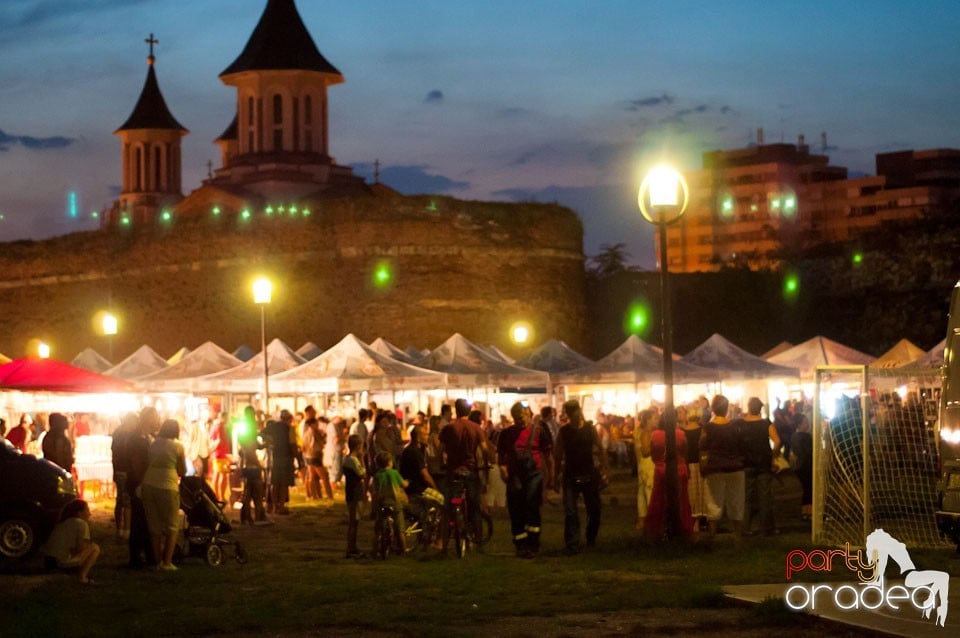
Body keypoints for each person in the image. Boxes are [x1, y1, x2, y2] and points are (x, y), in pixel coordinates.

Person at [498, 401, 553, 558]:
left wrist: (552, 476)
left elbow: (549, 457)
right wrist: (503, 470)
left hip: (534, 475)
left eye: (521, 416)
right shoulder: (506, 434)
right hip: (514, 476)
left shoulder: (540, 431)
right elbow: (501, 456)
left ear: (528, 413)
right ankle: (520, 544)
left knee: (532, 506)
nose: (519, 420)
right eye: (516, 418)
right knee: (516, 510)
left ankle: (533, 543)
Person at [439, 398, 490, 555]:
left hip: (452, 472)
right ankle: (478, 541)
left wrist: (444, 461)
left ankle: (444, 545)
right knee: (474, 507)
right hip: (470, 471)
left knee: (447, 509)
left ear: (456, 410)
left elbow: (441, 450)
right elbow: (484, 449)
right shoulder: (475, 428)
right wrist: (486, 464)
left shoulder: (449, 428)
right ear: (468, 411)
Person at [556, 399, 603, 553]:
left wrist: (605, 469)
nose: (574, 415)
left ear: (579, 410)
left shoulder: (589, 429)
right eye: (570, 413)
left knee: (594, 509)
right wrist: (556, 475)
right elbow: (558, 454)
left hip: (589, 473)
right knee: (570, 511)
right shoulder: (564, 432)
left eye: (575, 411)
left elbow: (600, 447)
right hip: (570, 475)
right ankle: (572, 543)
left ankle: (591, 537)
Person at [141, 418, 186, 571]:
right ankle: (167, 562)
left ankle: (157, 561)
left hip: (149, 484)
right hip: (168, 486)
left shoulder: (153, 445)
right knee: (172, 525)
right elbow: (182, 471)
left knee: (154, 525)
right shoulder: (178, 447)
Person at [644, 407, 694, 539]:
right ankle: (683, 526)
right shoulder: (681, 434)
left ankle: (657, 527)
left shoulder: (655, 435)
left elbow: (653, 453)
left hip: (661, 469)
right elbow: (685, 452)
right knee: (682, 499)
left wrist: (659, 462)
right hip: (680, 469)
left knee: (659, 499)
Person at [699, 395, 745, 539]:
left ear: (713, 408)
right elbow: (742, 446)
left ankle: (712, 538)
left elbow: (703, 448)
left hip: (715, 467)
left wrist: (703, 467)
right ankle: (738, 537)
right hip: (735, 468)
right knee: (736, 502)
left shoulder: (708, 428)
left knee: (713, 503)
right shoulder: (736, 426)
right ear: (727, 408)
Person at [738, 397, 781, 536]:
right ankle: (765, 528)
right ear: (760, 409)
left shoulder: (741, 424)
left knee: (746, 498)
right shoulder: (766, 424)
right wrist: (773, 455)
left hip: (746, 463)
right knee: (765, 496)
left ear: (749, 408)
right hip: (763, 464)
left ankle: (745, 528)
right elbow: (777, 441)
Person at [128, 406, 159, 568]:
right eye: (155, 418)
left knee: (146, 519)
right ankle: (137, 555)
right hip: (140, 482)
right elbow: (135, 463)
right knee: (139, 519)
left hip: (146, 481)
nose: (158, 421)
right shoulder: (137, 438)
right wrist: (141, 482)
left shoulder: (147, 437)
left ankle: (147, 553)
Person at [40, 499, 100, 584]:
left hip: (48, 562)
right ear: (79, 513)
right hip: (59, 563)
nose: (90, 514)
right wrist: (86, 545)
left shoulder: (63, 522)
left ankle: (68, 571)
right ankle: (82, 577)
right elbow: (80, 548)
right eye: (87, 510)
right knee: (95, 548)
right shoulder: (81, 523)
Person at [399, 420, 440, 531]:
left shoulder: (409, 449)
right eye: (425, 434)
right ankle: (426, 527)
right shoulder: (415, 452)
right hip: (416, 489)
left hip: (410, 486)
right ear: (418, 437)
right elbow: (425, 474)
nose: (427, 436)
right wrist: (435, 487)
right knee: (441, 500)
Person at [237, 409, 270, 526]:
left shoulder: (245, 428)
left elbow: (252, 446)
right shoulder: (248, 428)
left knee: (249, 492)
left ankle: (248, 517)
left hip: (247, 466)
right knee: (255, 491)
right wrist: (258, 464)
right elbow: (249, 450)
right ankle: (256, 516)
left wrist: (263, 444)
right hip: (251, 466)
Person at [371, 450, 408, 555]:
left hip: (382, 503)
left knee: (378, 529)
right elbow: (403, 484)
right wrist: (407, 483)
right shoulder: (394, 473)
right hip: (395, 503)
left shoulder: (377, 475)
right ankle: (403, 550)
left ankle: (374, 550)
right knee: (400, 528)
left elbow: (374, 489)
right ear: (389, 462)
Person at [338, 434, 367, 558]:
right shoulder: (353, 460)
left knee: (354, 522)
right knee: (354, 522)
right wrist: (362, 460)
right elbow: (362, 474)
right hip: (355, 492)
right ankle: (351, 548)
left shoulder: (345, 459)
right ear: (358, 446)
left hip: (351, 492)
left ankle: (352, 547)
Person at [263, 409, 295, 515]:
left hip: (274, 457)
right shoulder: (289, 428)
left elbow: (261, 434)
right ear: (289, 419)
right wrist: (297, 457)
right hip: (285, 457)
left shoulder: (273, 427)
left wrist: (268, 442)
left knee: (274, 482)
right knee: (283, 483)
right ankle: (281, 506)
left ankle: (274, 506)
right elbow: (292, 444)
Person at [680, 409, 706, 532]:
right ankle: (701, 519)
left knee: (690, 493)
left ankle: (691, 518)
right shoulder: (702, 430)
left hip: (687, 464)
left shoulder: (682, 431)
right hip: (700, 463)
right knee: (701, 492)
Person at [633, 409, 655, 531]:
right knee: (649, 493)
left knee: (642, 493)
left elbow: (637, 451)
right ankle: (651, 521)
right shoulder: (646, 433)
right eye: (654, 418)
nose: (657, 420)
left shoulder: (637, 432)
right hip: (648, 465)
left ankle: (642, 520)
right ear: (648, 420)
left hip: (641, 464)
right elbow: (645, 451)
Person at [790, 416, 814, 521]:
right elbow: (809, 452)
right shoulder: (806, 437)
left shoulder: (794, 436)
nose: (808, 424)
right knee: (810, 489)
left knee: (806, 489)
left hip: (799, 466)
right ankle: (809, 511)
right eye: (805, 422)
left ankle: (805, 511)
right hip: (807, 465)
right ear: (799, 424)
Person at [209, 413, 232, 502]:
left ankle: (216, 495)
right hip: (222, 454)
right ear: (223, 418)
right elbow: (220, 440)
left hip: (216, 454)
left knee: (217, 475)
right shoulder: (220, 426)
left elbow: (212, 439)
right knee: (224, 475)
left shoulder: (214, 426)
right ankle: (222, 497)